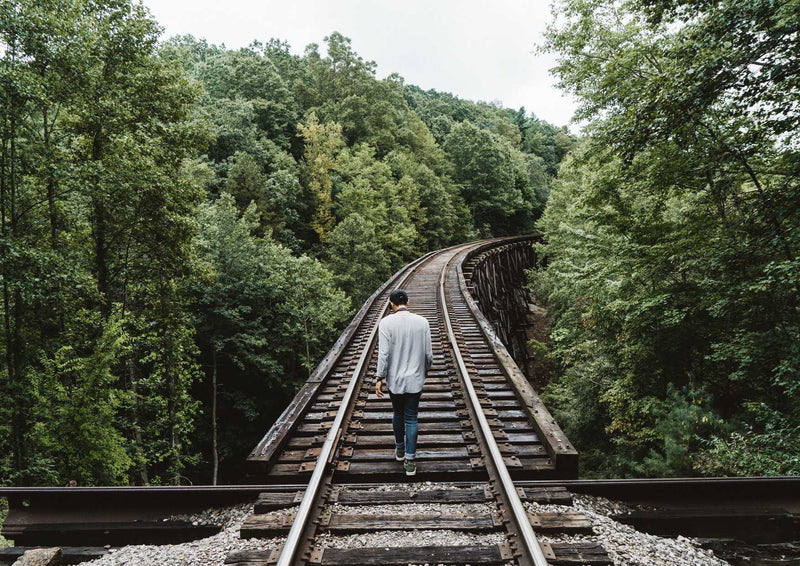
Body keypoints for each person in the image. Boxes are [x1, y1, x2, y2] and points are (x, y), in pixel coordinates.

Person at [375, 288, 433, 476]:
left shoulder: (385, 323)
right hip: (415, 379)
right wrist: (425, 369)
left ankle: (400, 449)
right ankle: (410, 461)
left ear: (391, 304)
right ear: (408, 302)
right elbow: (428, 354)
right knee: (411, 417)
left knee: (397, 413)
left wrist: (379, 377)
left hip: (395, 379)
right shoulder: (422, 322)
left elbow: (383, 354)